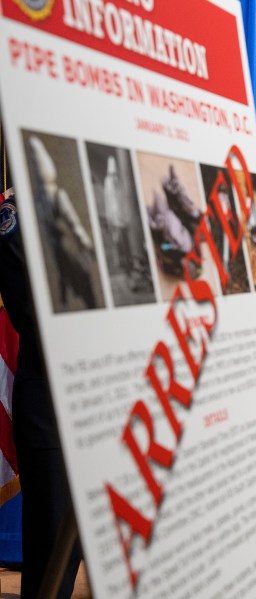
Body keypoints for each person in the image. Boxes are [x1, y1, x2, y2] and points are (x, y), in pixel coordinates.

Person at [0, 183, 83, 596]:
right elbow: (37, 316)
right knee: (52, 549)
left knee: (88, 540)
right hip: (51, 402)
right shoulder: (17, 216)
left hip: (97, 396)